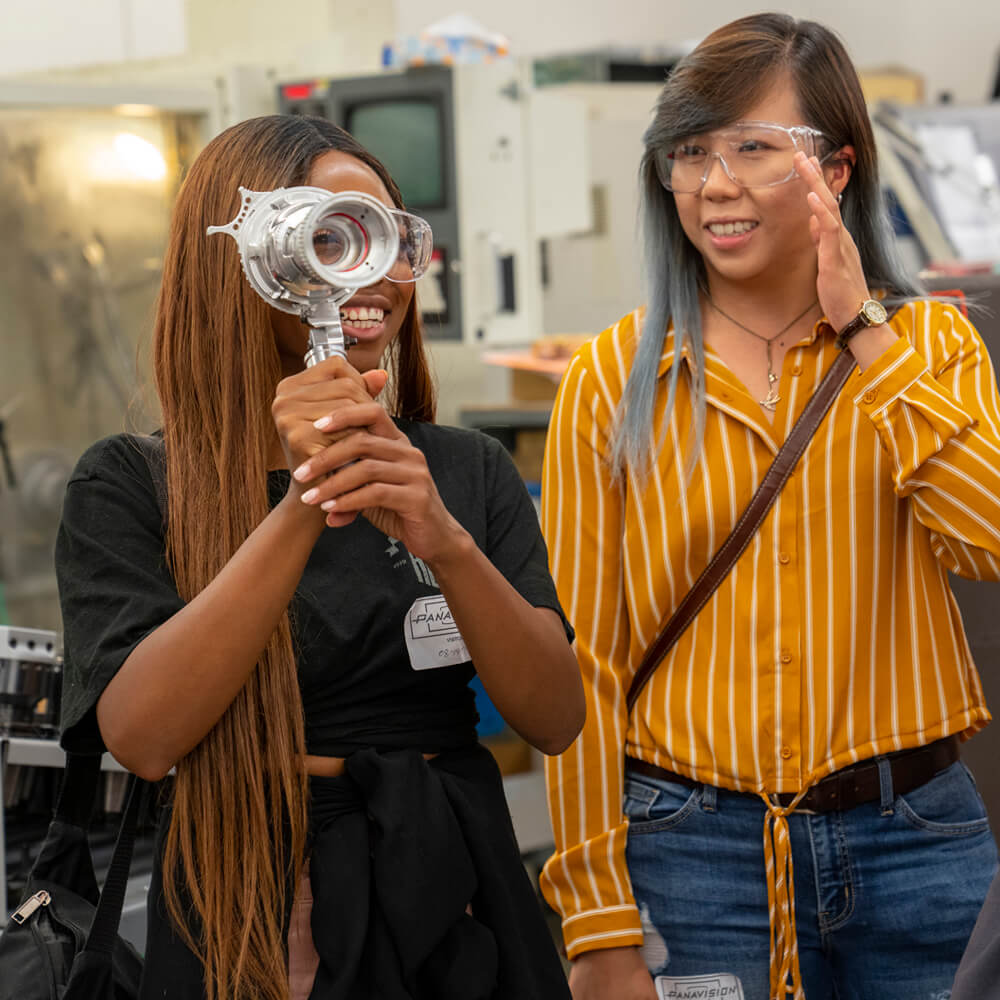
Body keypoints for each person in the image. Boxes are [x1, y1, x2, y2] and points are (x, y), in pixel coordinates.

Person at [54, 114, 584, 1000]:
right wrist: (309, 496)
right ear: (245, 258)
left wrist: (444, 542)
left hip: (454, 889)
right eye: (327, 239)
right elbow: (144, 738)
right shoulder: (134, 483)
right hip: (252, 905)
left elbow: (556, 717)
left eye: (382, 236)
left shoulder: (462, 468)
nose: (365, 274)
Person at [539, 13, 1000, 1000]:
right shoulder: (611, 378)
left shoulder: (934, 346)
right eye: (690, 151)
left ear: (836, 170)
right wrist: (594, 915)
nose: (714, 184)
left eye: (752, 147)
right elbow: (582, 658)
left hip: (917, 840)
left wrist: (864, 336)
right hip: (691, 853)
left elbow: (988, 541)